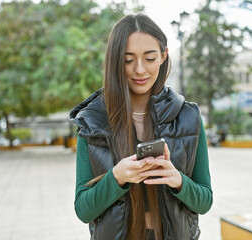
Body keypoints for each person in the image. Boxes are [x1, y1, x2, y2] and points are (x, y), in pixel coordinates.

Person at [69, 14, 212, 240]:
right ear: (115, 60)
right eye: (128, 60)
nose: (140, 70)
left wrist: (177, 179)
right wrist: (116, 177)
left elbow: (205, 202)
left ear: (163, 56)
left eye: (150, 58)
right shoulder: (92, 121)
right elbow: (83, 210)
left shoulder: (188, 115)